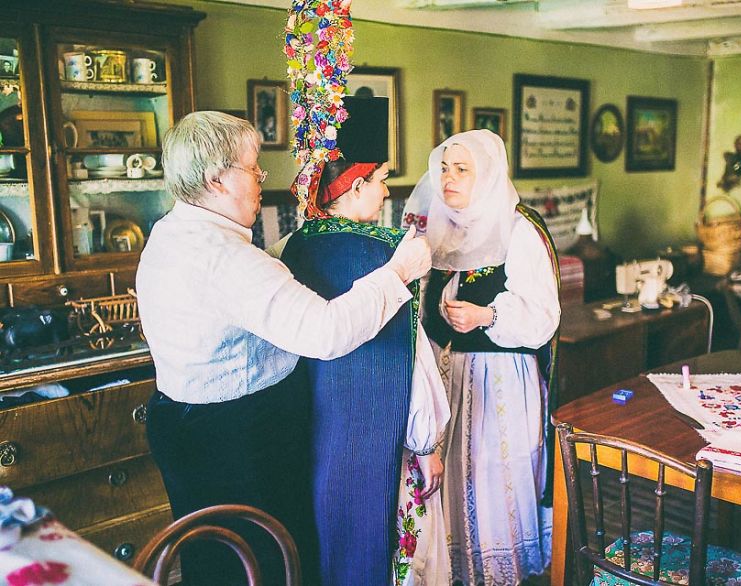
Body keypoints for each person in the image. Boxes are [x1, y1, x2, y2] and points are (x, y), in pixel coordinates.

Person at [135, 110, 431, 586]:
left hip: (180, 421)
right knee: (262, 563)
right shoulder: (227, 258)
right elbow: (327, 332)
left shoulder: (172, 232)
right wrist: (398, 273)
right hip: (234, 438)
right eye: (253, 169)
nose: (259, 179)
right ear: (217, 179)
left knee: (212, 559)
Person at [277, 97, 451, 586]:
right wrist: (426, 443)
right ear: (356, 185)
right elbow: (410, 357)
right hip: (383, 430)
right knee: (388, 548)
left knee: (331, 539)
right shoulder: (392, 251)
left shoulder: (291, 247)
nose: (386, 189)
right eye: (380, 179)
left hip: (317, 432)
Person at [404, 129, 561, 585]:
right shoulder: (436, 229)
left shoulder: (519, 230)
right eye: (445, 168)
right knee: (454, 479)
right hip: (446, 379)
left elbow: (542, 316)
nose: (449, 179)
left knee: (493, 476)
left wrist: (486, 315)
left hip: (500, 380)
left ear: (488, 175)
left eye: (463, 169)